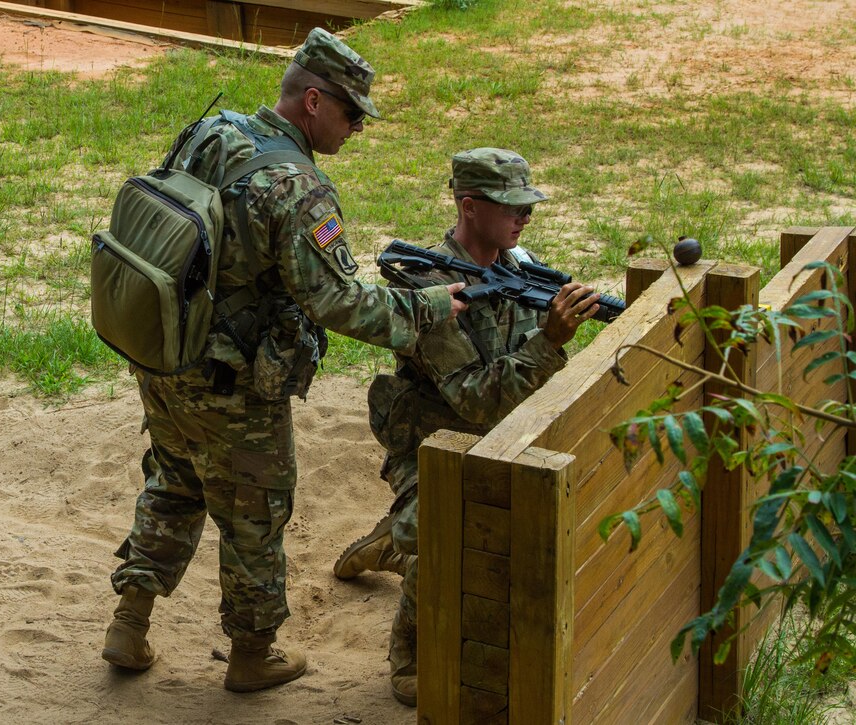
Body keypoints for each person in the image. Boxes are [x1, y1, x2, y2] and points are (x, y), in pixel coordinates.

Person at [102, 28, 467, 693]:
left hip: (162, 354)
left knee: (175, 481)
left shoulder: (212, 131)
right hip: (231, 382)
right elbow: (338, 303)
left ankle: (129, 622)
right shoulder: (296, 187)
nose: (358, 127)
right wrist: (431, 308)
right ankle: (252, 654)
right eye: (352, 112)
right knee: (255, 512)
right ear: (312, 101)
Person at [333, 148, 601, 706]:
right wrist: (548, 341)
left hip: (506, 436)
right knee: (445, 534)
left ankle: (392, 541)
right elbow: (473, 399)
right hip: (432, 447)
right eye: (512, 206)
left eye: (528, 205)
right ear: (470, 206)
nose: (524, 217)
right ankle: (411, 650)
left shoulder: (519, 265)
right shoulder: (430, 291)